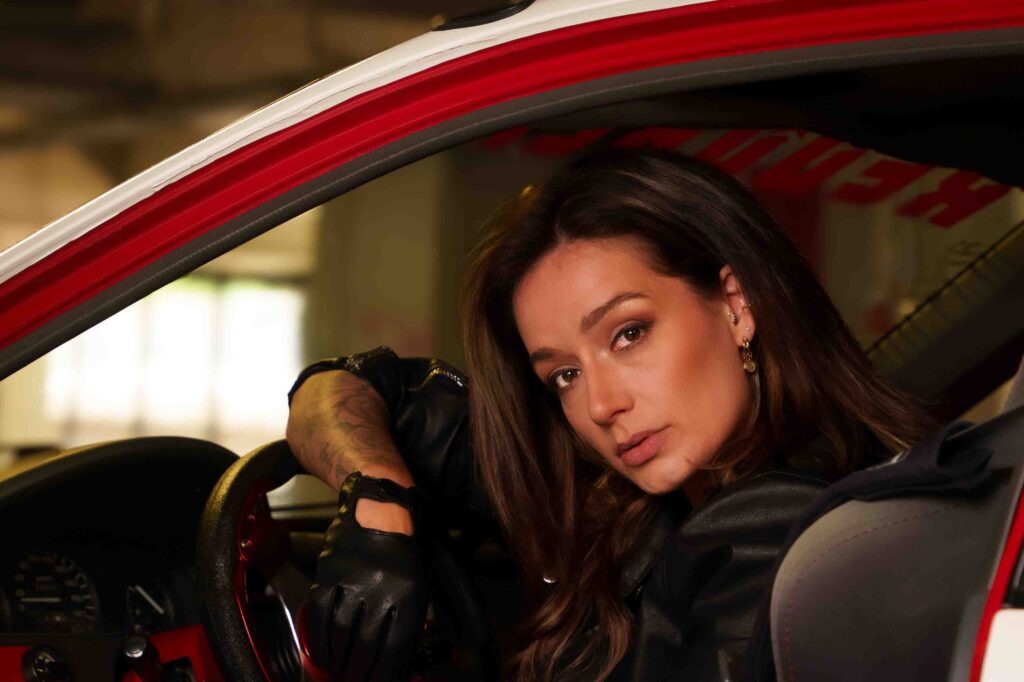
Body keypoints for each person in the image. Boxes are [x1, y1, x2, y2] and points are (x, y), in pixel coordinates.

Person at [286, 148, 931, 681]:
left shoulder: (779, 533)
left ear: (736, 304)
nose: (601, 405)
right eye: (563, 375)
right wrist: (377, 497)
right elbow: (344, 388)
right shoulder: (628, 495)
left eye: (629, 334)